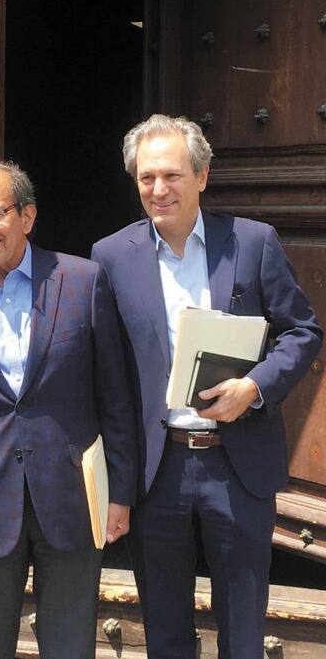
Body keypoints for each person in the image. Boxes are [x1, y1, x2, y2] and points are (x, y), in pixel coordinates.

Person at [91, 114, 323, 657]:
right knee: (164, 626)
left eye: (171, 175)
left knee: (242, 626)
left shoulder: (252, 242)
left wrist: (255, 387)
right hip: (157, 470)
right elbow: (109, 374)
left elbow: (303, 331)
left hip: (236, 464)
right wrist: (116, 482)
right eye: (147, 177)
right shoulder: (111, 256)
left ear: (201, 176)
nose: (159, 189)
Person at [0, 159, 137, 658]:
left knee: (70, 647)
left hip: (72, 499)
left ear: (28, 216)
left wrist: (120, 493)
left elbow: (115, 397)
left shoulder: (82, 281)